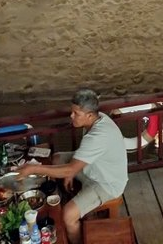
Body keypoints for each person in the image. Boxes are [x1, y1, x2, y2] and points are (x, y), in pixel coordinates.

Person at [15, 88, 127, 244]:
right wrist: (70, 172)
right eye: (72, 112)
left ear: (89, 115)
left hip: (106, 183)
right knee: (58, 158)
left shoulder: (98, 136)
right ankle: (66, 195)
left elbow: (71, 168)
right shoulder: (97, 118)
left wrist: (32, 169)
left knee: (68, 214)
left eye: (76, 114)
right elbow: (73, 165)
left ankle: (77, 241)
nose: (71, 116)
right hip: (93, 168)